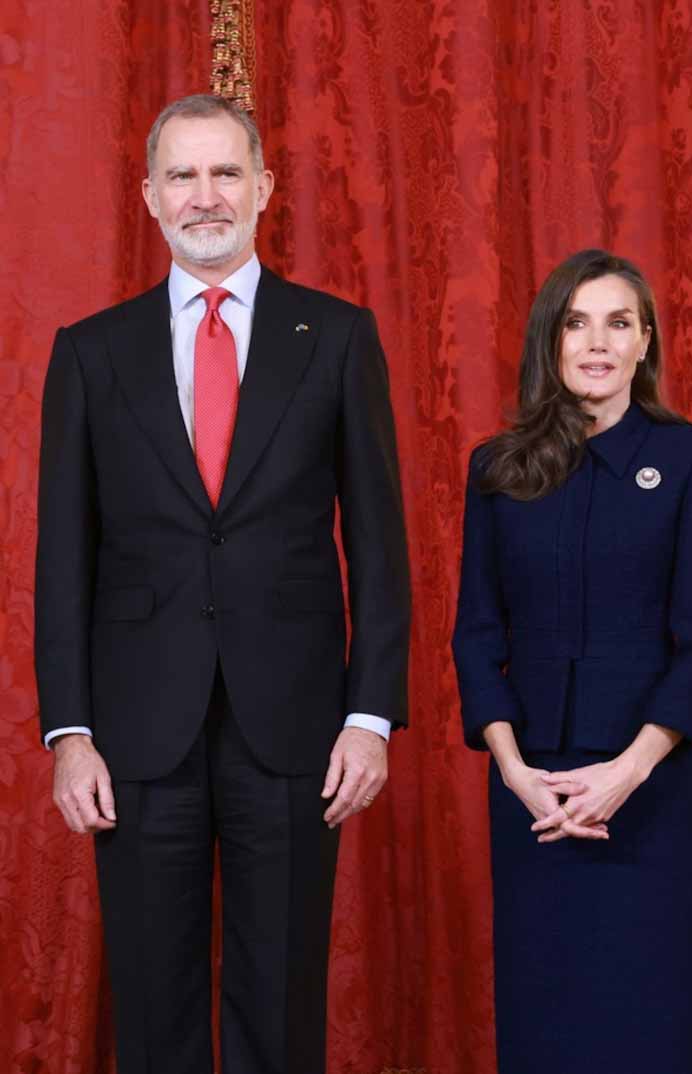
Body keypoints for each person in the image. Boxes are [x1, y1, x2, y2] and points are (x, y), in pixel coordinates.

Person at [34, 93, 410, 1074]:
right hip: (135, 733)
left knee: (280, 999)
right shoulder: (89, 352)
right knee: (153, 1006)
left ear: (263, 189)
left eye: (226, 173)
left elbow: (378, 544)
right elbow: (62, 558)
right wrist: (69, 733)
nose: (207, 196)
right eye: (184, 176)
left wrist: (369, 718)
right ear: (151, 196)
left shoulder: (335, 338)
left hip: (293, 728)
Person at [452, 248, 692, 1074]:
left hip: (650, 787)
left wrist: (627, 772)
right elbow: (475, 633)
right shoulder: (496, 467)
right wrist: (513, 771)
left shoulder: (690, 459)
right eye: (576, 323)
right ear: (551, 340)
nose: (596, 342)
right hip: (533, 790)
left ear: (644, 342)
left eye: (618, 323)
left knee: (653, 1016)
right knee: (549, 1016)